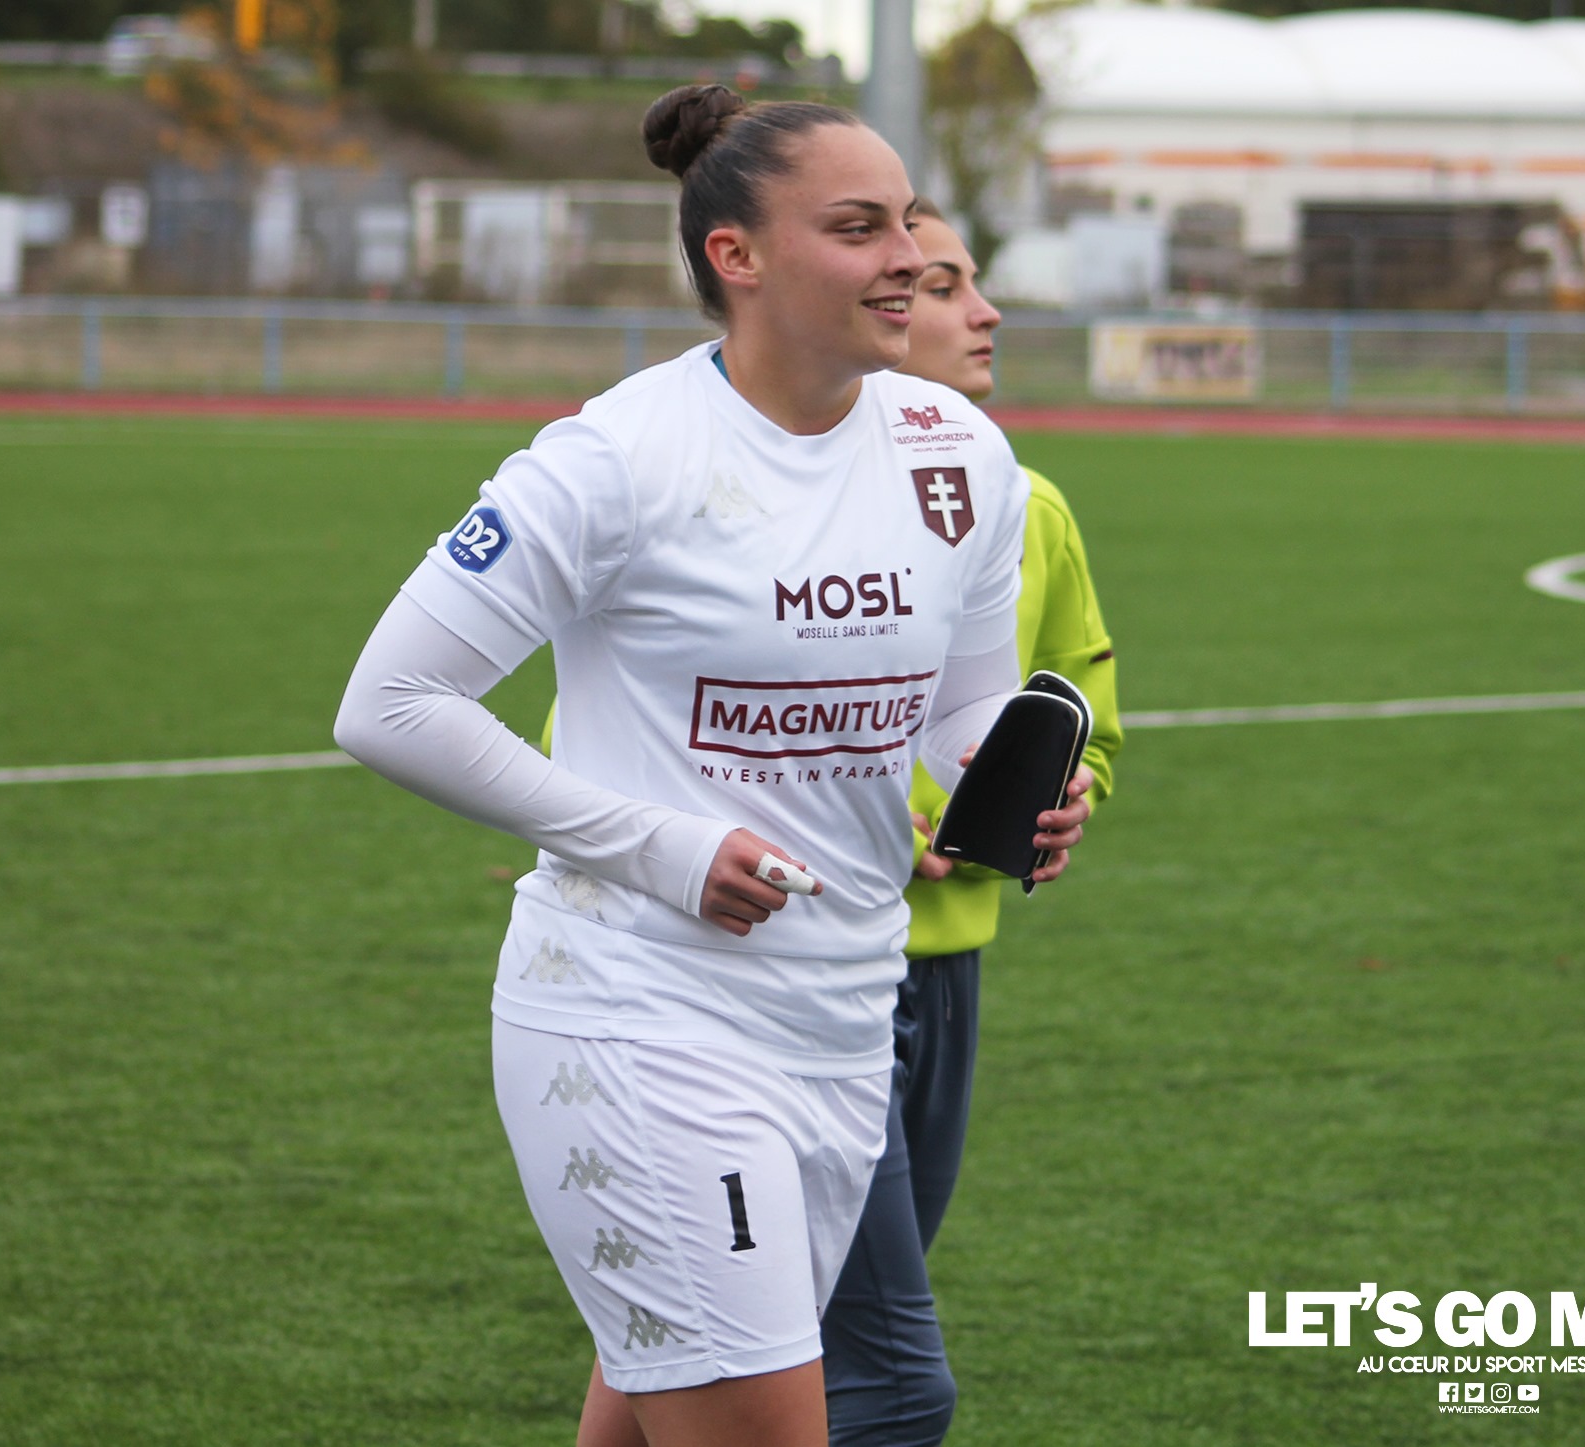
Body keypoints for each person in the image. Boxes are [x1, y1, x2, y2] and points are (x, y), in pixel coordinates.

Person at [332, 86, 1093, 1447]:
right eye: (857, 229)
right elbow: (389, 702)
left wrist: (1014, 777)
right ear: (735, 255)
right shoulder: (613, 459)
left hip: (846, 1018)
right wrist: (665, 850)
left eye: (907, 223)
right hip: (641, 1017)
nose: (906, 260)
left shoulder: (960, 456)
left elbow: (961, 705)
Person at [819, 202, 1124, 1447]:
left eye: (966, 281)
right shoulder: (762, 492)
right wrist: (857, 825)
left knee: (766, 1336)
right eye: (942, 285)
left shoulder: (1023, 503)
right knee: (887, 1379)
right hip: (795, 970)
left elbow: (1079, 712)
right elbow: (610, 732)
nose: (982, 312)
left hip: (945, 975)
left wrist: (1068, 790)